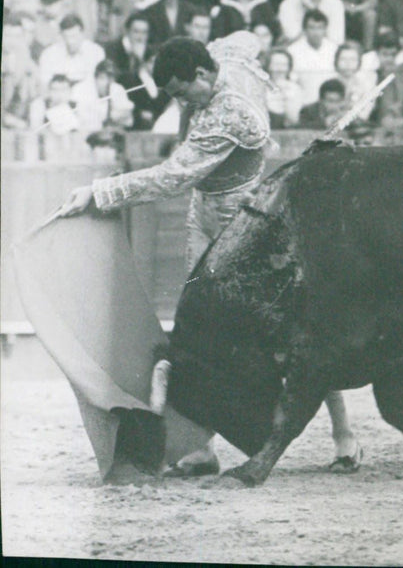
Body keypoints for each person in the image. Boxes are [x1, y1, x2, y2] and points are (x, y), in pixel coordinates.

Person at [58, 32, 364, 476]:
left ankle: (344, 436)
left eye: (183, 92)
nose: (182, 104)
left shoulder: (229, 114)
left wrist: (99, 191)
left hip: (246, 227)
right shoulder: (226, 59)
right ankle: (202, 448)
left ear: (201, 75)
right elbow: (249, 37)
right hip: (204, 218)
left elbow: (172, 177)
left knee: (300, 326)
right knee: (198, 336)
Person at [38, 14, 106, 88]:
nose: (71, 41)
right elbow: (45, 82)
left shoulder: (96, 52)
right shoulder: (49, 54)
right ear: (61, 35)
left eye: (74, 36)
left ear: (82, 33)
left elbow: (98, 83)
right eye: (66, 37)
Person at [279, 0, 345, 46]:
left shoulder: (334, 3)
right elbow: (291, 39)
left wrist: (313, 11)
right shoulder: (288, 4)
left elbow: (336, 40)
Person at [71, 59, 134, 133]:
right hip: (85, 133)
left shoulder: (117, 89)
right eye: (102, 78)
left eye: (111, 79)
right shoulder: (80, 89)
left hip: (111, 133)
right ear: (95, 78)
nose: (107, 83)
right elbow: (81, 119)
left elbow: (128, 120)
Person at [104, 14, 151, 85]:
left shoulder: (149, 50)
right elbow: (116, 78)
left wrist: (141, 60)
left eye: (144, 32)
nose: (140, 37)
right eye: (136, 31)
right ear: (127, 31)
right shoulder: (113, 48)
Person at [334, 43, 376, 121]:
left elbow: (365, 114)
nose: (348, 63)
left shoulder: (366, 86)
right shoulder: (329, 84)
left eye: (352, 59)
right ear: (336, 61)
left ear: (359, 62)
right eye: (343, 59)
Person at [266, 49, 304, 129]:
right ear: (268, 66)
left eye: (284, 65)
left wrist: (286, 96)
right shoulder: (260, 87)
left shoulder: (295, 89)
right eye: (276, 64)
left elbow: (294, 120)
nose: (280, 69)